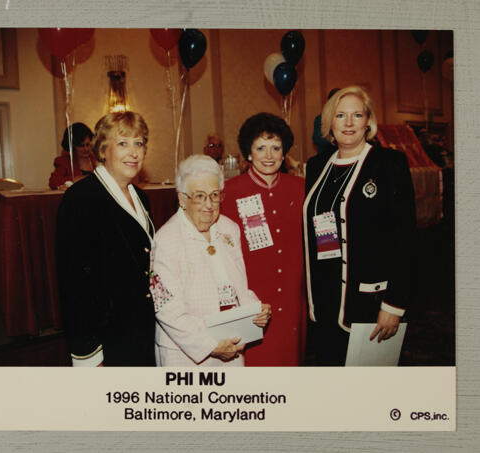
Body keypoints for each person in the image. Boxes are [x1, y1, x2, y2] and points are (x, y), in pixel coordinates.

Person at [303, 85, 416, 366]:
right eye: (341, 115)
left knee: (368, 392)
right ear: (329, 122)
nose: (349, 123)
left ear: (369, 121)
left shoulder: (389, 163)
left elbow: (406, 240)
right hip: (325, 302)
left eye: (357, 115)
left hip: (369, 302)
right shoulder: (316, 166)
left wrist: (394, 305)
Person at [56, 112, 155, 366]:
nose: (133, 152)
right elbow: (74, 287)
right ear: (102, 150)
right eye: (122, 143)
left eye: (139, 143)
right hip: (107, 341)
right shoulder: (81, 198)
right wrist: (88, 354)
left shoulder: (141, 198)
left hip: (140, 332)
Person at [151, 155, 271, 366]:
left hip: (232, 345)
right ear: (182, 199)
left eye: (214, 195)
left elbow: (239, 287)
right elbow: (167, 310)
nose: (209, 204)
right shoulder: (166, 240)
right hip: (186, 354)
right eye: (199, 196)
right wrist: (211, 345)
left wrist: (255, 309)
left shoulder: (229, 229)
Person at [221, 112, 307, 366]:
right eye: (261, 147)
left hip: (293, 296)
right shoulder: (229, 192)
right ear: (249, 153)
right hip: (252, 297)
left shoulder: (302, 188)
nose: (269, 155)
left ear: (284, 153)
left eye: (275, 148)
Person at [49, 122, 97, 190]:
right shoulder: (64, 161)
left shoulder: (97, 159)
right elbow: (53, 182)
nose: (86, 149)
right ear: (72, 146)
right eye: (81, 146)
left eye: (88, 144)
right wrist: (75, 179)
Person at [312, 88, 340, 155]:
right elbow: (317, 139)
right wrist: (336, 138)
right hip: (325, 156)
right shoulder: (321, 118)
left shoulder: (346, 118)